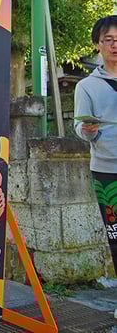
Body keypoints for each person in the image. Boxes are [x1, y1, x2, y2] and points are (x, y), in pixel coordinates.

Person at [74, 15, 117, 287]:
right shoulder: (86, 87)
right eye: (108, 40)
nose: (114, 45)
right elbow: (80, 127)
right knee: (116, 236)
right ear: (98, 45)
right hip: (107, 172)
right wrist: (89, 131)